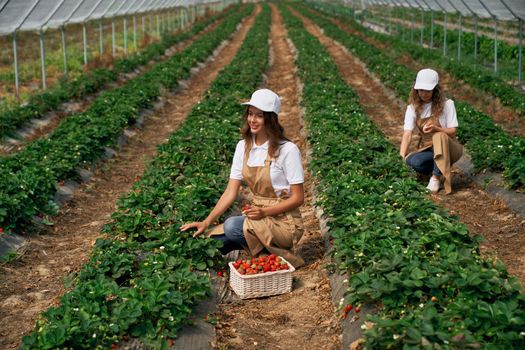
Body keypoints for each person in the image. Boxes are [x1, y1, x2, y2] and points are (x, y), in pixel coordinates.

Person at [180, 88, 305, 268]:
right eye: (250, 114)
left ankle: (273, 256)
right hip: (256, 217)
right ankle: (262, 255)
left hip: (284, 222)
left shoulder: (287, 150)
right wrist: (206, 221)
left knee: (231, 226)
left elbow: (298, 198)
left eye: (259, 115)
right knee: (211, 242)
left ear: (271, 119)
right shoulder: (243, 147)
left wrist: (264, 213)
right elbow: (231, 191)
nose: (252, 120)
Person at [399, 68, 463, 194]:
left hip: (450, 148)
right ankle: (438, 168)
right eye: (421, 90)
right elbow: (407, 134)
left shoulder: (447, 104)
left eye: (428, 90)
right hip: (428, 148)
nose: (424, 93)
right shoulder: (413, 108)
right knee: (413, 162)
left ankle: (435, 178)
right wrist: (401, 157)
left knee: (439, 136)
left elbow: (452, 131)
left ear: (435, 89)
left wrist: (436, 128)